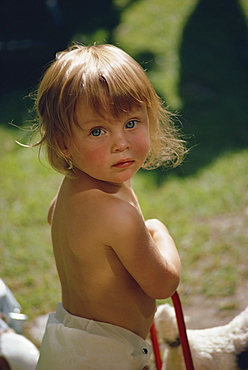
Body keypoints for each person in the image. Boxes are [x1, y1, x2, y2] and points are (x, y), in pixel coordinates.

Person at [33, 43, 186, 369]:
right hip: (103, 358)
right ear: (64, 143)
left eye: (131, 123)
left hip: (71, 344)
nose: (121, 143)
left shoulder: (75, 189)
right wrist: (159, 231)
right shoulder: (114, 213)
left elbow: (53, 212)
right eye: (98, 131)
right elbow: (163, 283)